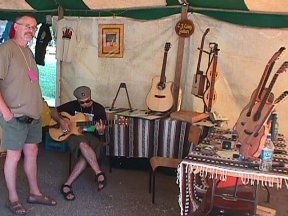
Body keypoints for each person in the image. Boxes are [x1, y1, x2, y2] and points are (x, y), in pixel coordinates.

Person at [0, 15, 57, 215]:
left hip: (33, 115)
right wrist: (6, 112)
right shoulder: (6, 50)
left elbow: (30, 81)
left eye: (34, 27)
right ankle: (13, 198)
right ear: (15, 27)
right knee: (14, 156)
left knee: (32, 152)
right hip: (14, 115)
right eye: (27, 26)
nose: (31, 30)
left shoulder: (28, 52)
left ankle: (34, 193)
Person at [51, 86, 107, 201]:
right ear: (77, 101)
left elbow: (101, 133)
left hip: (93, 138)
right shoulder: (72, 105)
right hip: (75, 136)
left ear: (91, 97)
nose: (86, 104)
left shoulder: (99, 109)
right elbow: (53, 111)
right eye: (82, 102)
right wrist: (61, 121)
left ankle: (67, 185)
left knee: (85, 154)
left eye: (88, 100)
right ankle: (99, 173)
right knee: (82, 144)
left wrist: (101, 130)